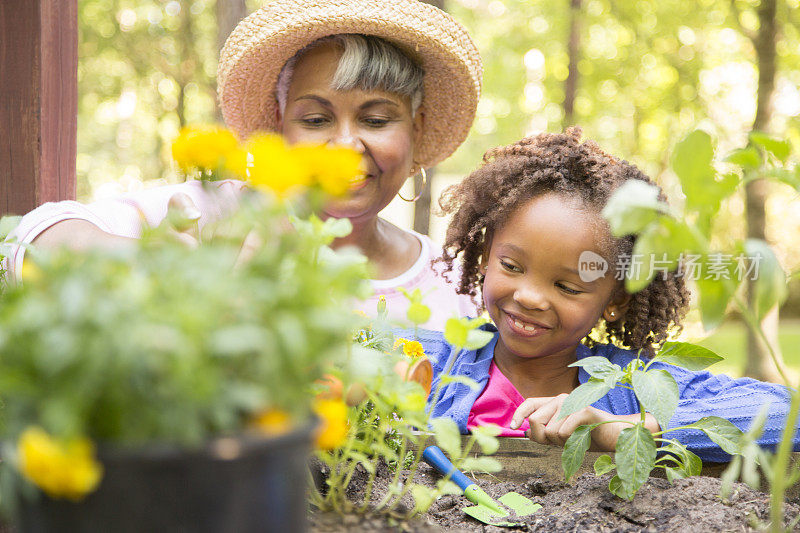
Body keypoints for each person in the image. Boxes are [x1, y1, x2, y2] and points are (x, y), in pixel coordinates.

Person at [2, 0, 483, 329]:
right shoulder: (220, 216)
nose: (344, 145)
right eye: (315, 119)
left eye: (376, 119)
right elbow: (27, 240)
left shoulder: (453, 284)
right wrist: (155, 270)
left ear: (416, 129)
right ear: (280, 124)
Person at [403, 128, 797, 463]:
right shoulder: (432, 364)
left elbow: (788, 415)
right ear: (486, 254)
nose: (529, 296)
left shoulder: (636, 385)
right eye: (511, 266)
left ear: (615, 301)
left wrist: (627, 430)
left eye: (567, 287)